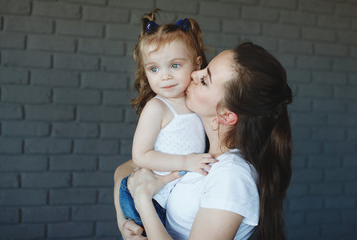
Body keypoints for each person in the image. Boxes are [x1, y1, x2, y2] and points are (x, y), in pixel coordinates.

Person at [114, 41, 293, 240]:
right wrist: (124, 222)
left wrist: (143, 201)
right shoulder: (200, 150)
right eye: (204, 68)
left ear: (226, 116)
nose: (194, 74)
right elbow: (124, 170)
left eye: (205, 80)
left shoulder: (231, 176)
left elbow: (139, 182)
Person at [118, 9, 217, 231]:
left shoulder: (195, 104)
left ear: (197, 64)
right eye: (154, 68)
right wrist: (186, 162)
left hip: (168, 199)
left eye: (175, 65)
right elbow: (140, 155)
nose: (165, 76)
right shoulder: (158, 107)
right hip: (150, 197)